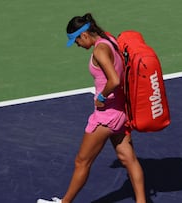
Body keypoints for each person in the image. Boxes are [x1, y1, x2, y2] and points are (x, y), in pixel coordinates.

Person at [37, 13, 146, 203]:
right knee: (128, 159)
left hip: (106, 116)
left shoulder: (100, 50)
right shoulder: (109, 39)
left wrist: (102, 97)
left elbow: (114, 80)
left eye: (77, 41)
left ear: (85, 35)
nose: (78, 45)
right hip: (120, 112)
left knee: (82, 162)